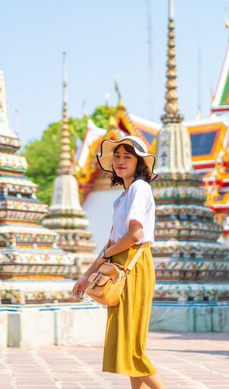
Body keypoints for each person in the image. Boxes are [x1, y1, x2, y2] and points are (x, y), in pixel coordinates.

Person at [73, 135, 165, 389]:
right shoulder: (122, 198)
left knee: (131, 346)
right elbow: (110, 242)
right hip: (122, 262)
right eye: (117, 157)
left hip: (134, 262)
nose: (121, 161)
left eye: (128, 156)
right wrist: (86, 276)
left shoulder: (139, 188)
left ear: (139, 163)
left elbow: (134, 234)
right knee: (129, 342)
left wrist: (104, 259)